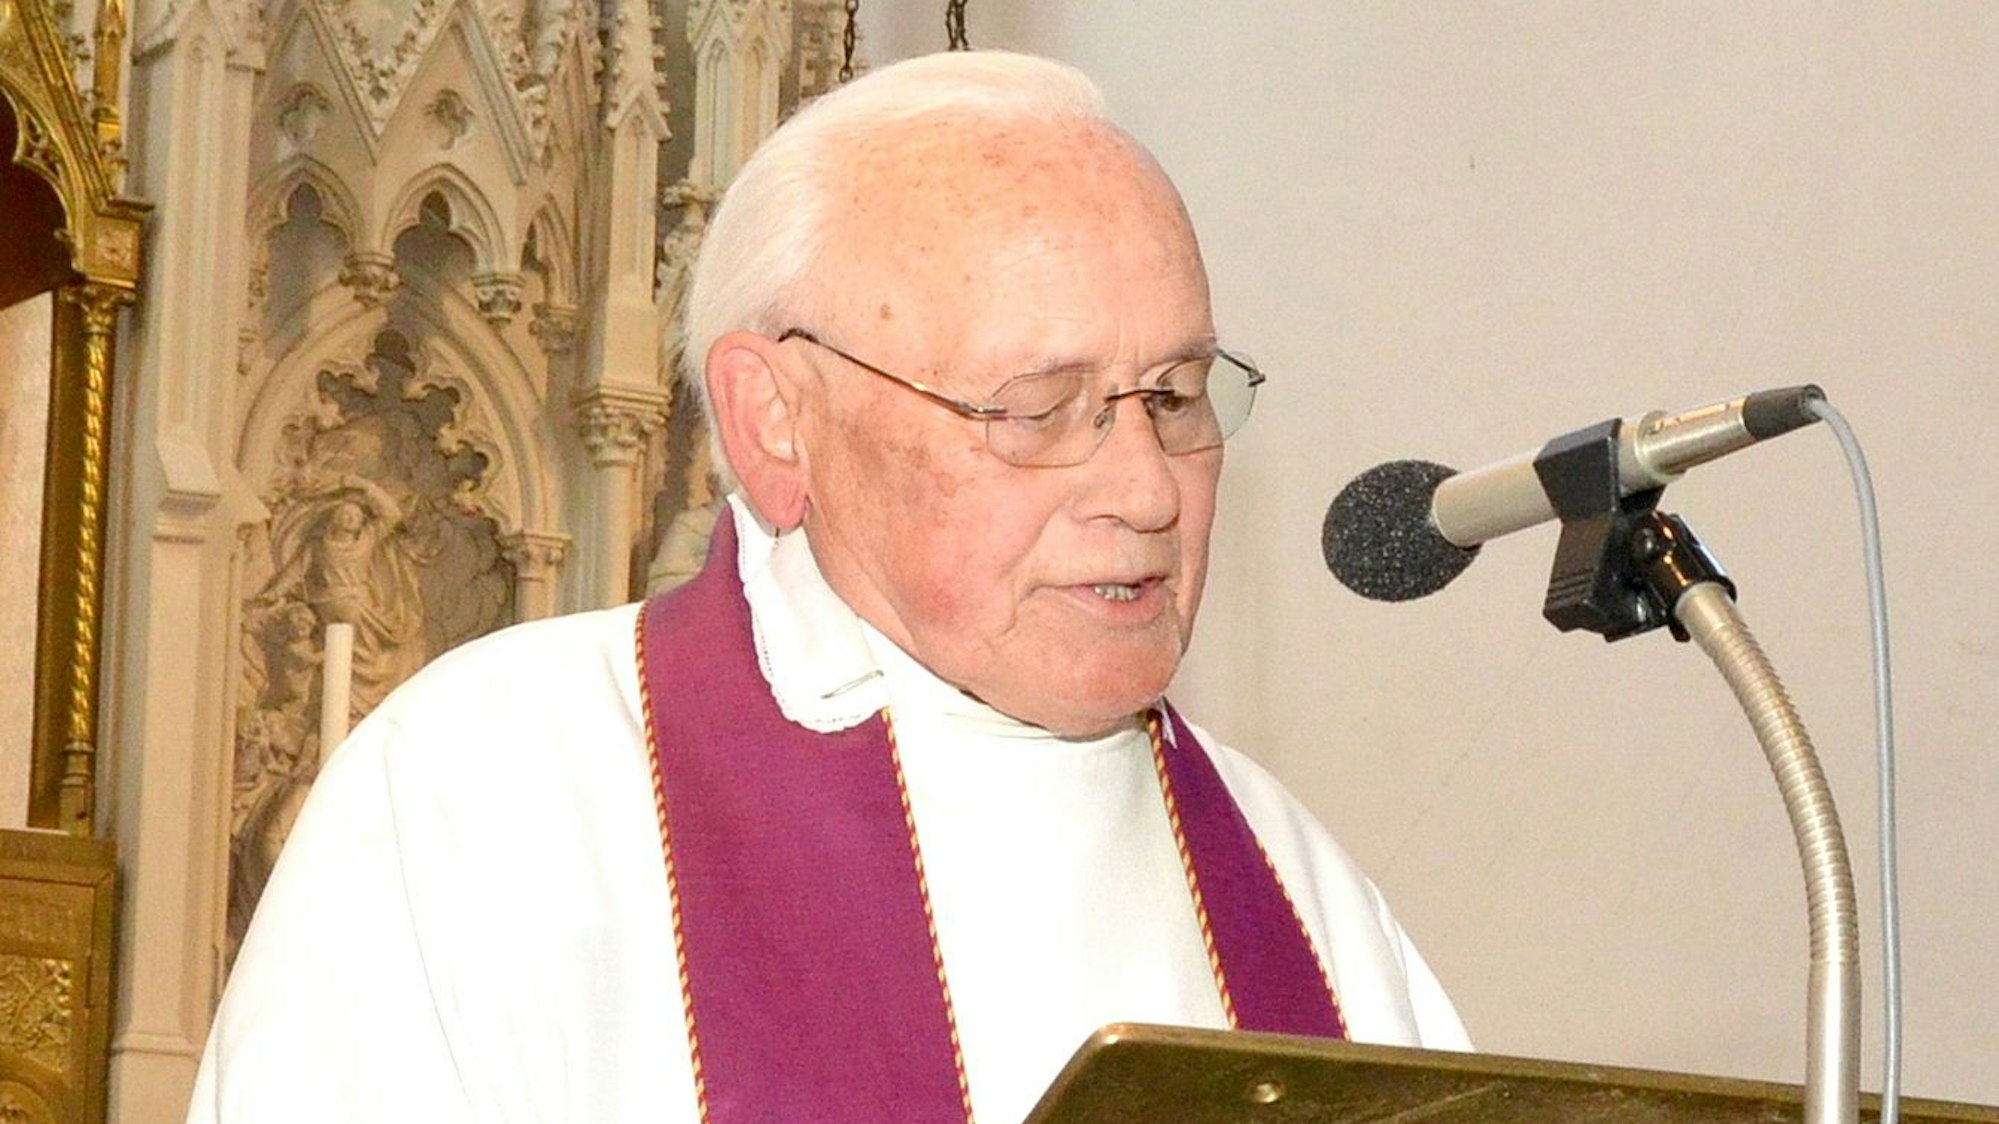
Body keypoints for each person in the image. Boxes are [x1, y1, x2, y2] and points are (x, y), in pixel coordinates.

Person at [187, 50, 1467, 1124]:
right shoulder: (491, 788)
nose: (1145, 485)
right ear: (776, 420)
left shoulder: (1291, 876)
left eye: (1176, 396)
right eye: (1035, 408)